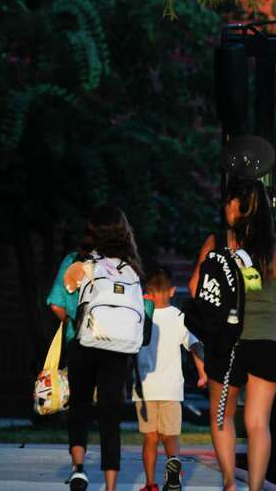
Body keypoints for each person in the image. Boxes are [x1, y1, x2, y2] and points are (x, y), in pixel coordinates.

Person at [188, 178, 276, 491]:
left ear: (238, 206)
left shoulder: (217, 243)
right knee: (259, 423)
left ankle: (231, 483)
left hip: (228, 344)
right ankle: (255, 487)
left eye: (229, 202)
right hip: (270, 341)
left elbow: (195, 288)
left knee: (223, 416)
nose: (225, 208)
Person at [59, 206, 150, 491]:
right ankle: (111, 485)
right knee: (110, 415)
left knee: (80, 406)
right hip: (119, 348)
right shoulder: (133, 269)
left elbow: (68, 288)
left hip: (86, 343)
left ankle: (78, 468)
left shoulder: (84, 264)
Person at [135, 265, 208, 491]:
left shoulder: (140, 317)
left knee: (150, 438)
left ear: (146, 292)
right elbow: (195, 345)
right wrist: (203, 372)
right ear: (172, 291)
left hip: (145, 389)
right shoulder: (179, 317)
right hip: (171, 389)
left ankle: (150, 484)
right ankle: (173, 466)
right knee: (171, 436)